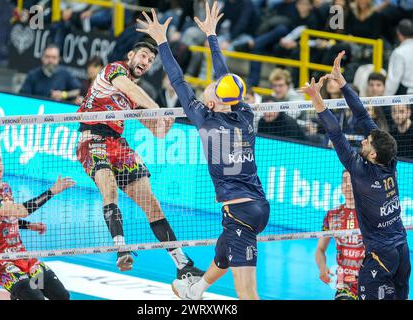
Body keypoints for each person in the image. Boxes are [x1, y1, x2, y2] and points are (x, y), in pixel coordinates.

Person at [136, 2, 270, 300]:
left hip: (240, 213)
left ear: (212, 103)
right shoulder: (245, 114)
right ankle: (195, 289)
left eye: (211, 88)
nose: (211, 85)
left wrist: (161, 40)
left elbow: (177, 79)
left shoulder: (204, 119)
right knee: (222, 253)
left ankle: (198, 288)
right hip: (259, 206)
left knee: (247, 294)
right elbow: (223, 75)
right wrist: (211, 35)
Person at [76, 41, 203, 278]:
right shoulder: (114, 71)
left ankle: (182, 264)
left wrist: (166, 122)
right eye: (143, 56)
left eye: (150, 61)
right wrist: (157, 107)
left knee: (151, 203)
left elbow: (156, 131)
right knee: (110, 190)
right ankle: (121, 249)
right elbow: (132, 91)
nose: (145, 62)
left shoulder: (134, 97)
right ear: (131, 55)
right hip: (92, 139)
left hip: (117, 144)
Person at [300, 51, 411, 300]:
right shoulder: (388, 158)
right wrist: (343, 84)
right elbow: (362, 116)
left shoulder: (361, 173)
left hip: (380, 256)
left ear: (372, 155)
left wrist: (316, 98)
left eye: (366, 142)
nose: (363, 140)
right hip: (402, 250)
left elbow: (335, 133)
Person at [0, 147, 75, 300]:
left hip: (23, 258)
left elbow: (8, 217)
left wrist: (29, 225)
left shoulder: (6, 188)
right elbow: (21, 210)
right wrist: (51, 191)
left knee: (60, 295)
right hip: (0, 264)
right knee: (35, 297)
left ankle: (20, 295)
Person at [315, 170, 365, 300]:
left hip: (371, 281)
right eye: (344, 181)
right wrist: (322, 268)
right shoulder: (332, 215)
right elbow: (320, 250)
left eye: (351, 181)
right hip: (345, 285)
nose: (347, 185)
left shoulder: (371, 215)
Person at [384, 19, 413, 95]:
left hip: (406, 98)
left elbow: (393, 80)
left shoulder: (398, 52)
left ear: (399, 34)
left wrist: (385, 101)